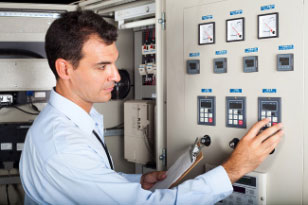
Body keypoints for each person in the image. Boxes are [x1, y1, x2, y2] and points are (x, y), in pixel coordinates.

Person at [19, 10, 283, 205]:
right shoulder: (63, 146)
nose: (116, 76)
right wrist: (235, 169)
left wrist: (136, 182)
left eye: (114, 63)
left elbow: (90, 184)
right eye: (102, 67)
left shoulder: (68, 123)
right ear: (65, 68)